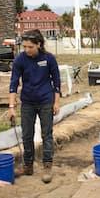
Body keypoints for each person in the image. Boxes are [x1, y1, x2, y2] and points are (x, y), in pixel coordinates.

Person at [8, 29, 61, 184]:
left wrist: (56, 102)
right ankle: (28, 165)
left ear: (38, 44)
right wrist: (11, 106)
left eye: (30, 47)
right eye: (24, 47)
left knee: (47, 134)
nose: (27, 50)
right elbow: (13, 83)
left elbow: (56, 82)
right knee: (27, 134)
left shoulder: (49, 59)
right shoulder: (20, 60)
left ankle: (47, 166)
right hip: (28, 102)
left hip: (46, 100)